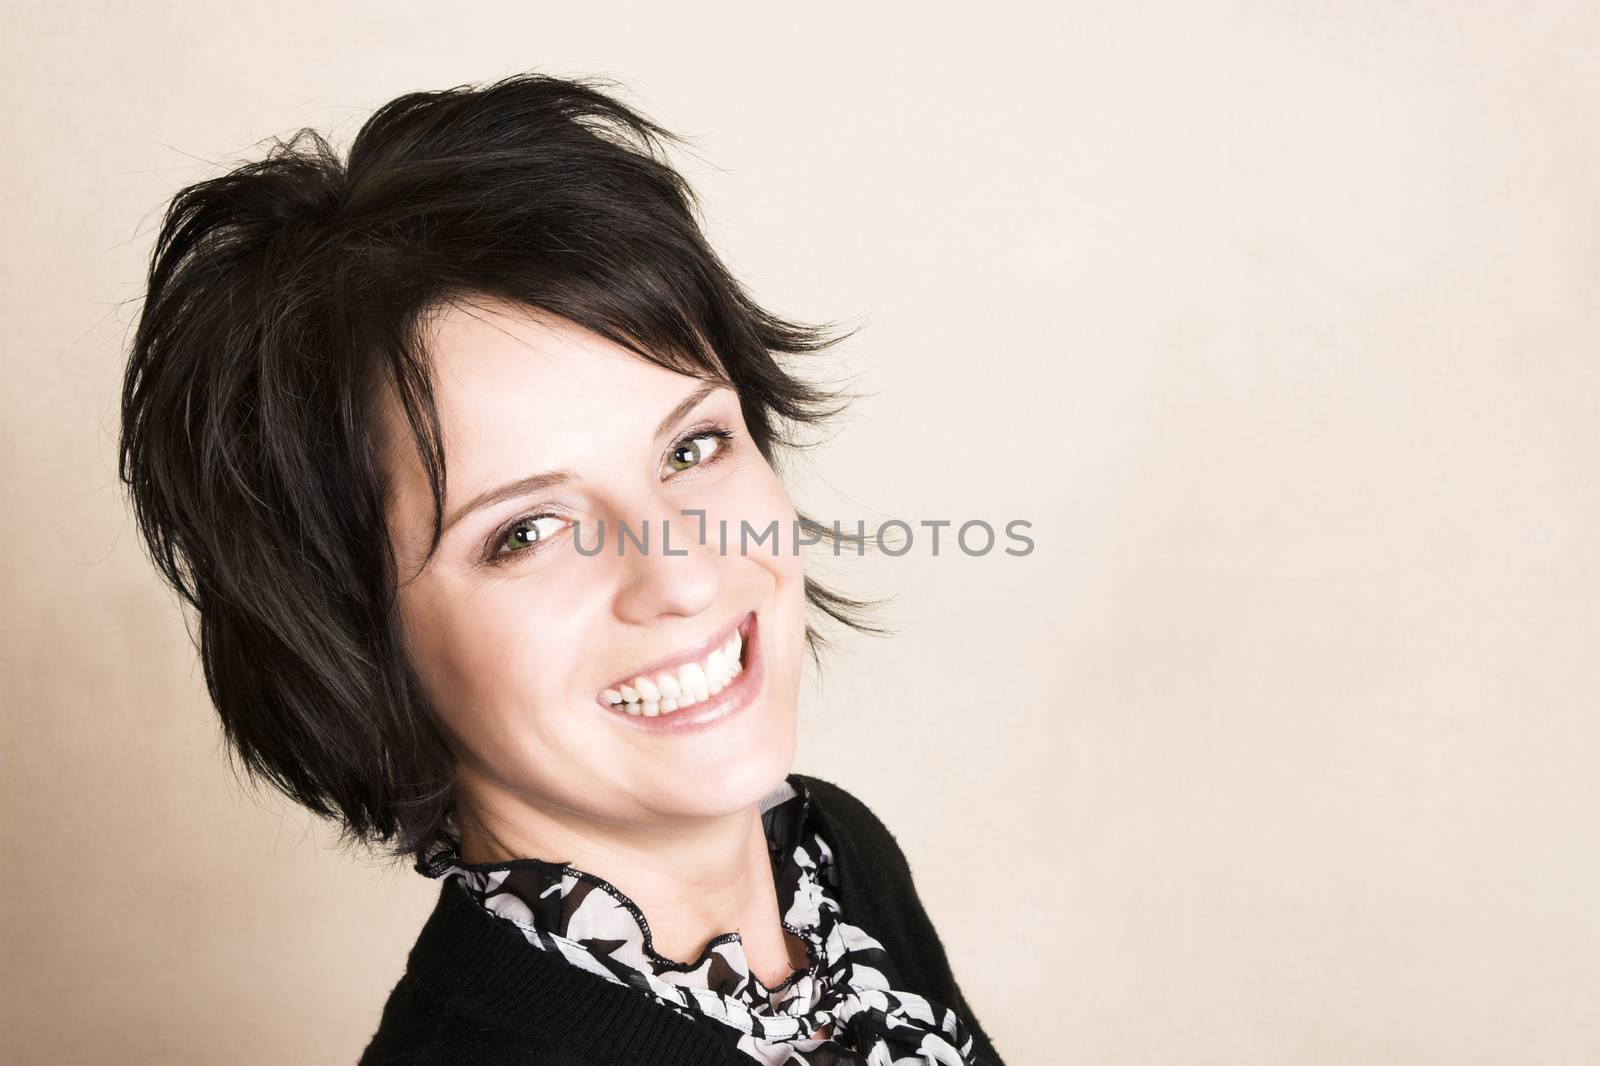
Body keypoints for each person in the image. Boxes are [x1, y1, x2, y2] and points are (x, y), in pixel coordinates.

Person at [118, 71, 1005, 1065]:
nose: (682, 577)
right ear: (354, 637)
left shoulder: (832, 856)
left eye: (689, 448)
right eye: (528, 531)